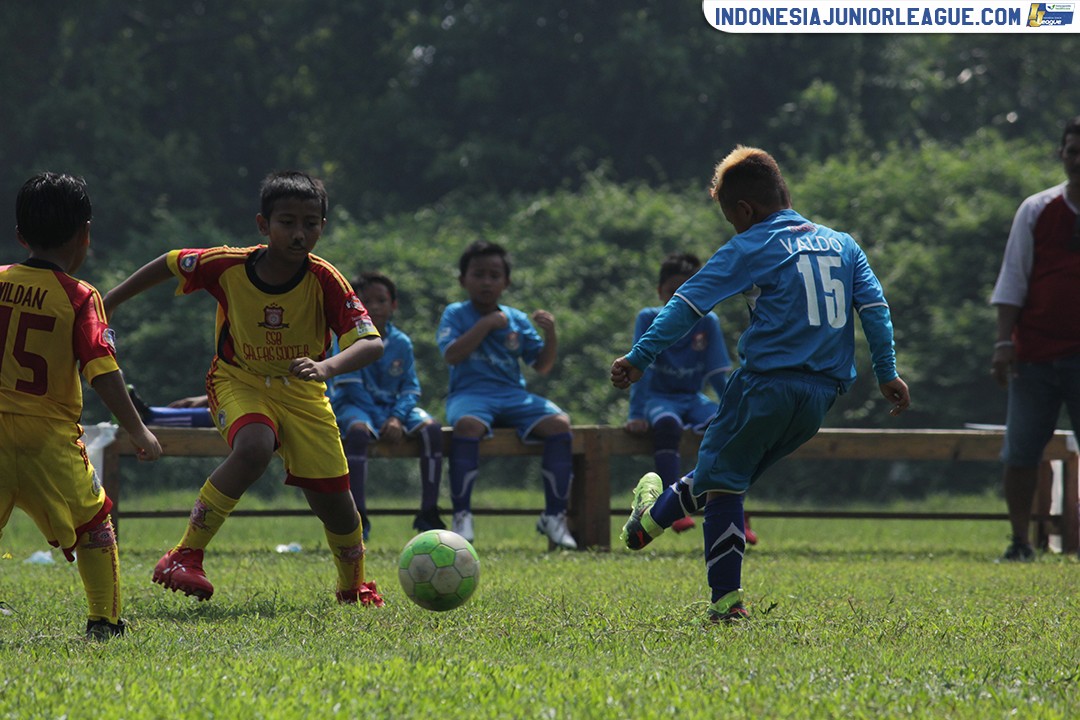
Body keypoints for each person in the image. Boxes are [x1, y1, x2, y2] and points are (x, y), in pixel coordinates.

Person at [611, 146, 910, 623]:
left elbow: (688, 304)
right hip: (820, 398)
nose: (732, 226)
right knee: (726, 472)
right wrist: (887, 371)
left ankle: (724, 602)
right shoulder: (843, 245)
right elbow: (874, 308)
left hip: (765, 386)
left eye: (730, 216)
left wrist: (640, 355)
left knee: (725, 483)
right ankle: (646, 524)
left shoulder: (751, 245)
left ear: (744, 210)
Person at [103, 171, 386, 605]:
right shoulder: (228, 264)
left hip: (303, 392)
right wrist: (108, 302)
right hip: (239, 379)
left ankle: (353, 586)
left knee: (337, 506)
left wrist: (326, 366)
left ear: (322, 227)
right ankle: (184, 554)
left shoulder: (326, 279)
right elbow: (171, 260)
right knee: (254, 446)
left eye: (310, 223)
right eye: (287, 222)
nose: (298, 233)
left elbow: (370, 342)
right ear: (262, 225)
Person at [0, 172, 162, 639]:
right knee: (94, 521)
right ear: (85, 234)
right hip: (48, 439)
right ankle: (104, 621)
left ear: (19, 236)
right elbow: (102, 371)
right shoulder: (80, 296)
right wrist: (137, 430)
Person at [438, 240, 577, 549]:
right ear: (463, 280)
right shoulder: (455, 313)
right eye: (478, 274)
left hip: (513, 395)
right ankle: (462, 516)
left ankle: (554, 517)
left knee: (560, 424)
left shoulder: (516, 319)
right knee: (467, 426)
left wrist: (550, 334)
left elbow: (542, 365)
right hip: (470, 394)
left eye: (494, 275)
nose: (486, 281)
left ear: (506, 281)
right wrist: (486, 324)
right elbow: (452, 355)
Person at [990, 115, 1080, 562]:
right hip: (1037, 354)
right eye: (1073, 150)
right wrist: (1004, 343)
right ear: (1062, 154)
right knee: (1021, 450)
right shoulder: (1037, 209)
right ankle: (1020, 541)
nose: (1079, 160)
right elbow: (1013, 280)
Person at [624, 252, 757, 543]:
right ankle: (673, 509)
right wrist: (635, 414)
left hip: (693, 399)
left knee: (725, 430)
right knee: (668, 424)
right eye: (672, 291)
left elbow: (717, 374)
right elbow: (638, 370)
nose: (678, 298)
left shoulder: (707, 322)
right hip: (660, 399)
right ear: (660, 292)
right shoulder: (648, 318)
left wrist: (734, 410)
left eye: (687, 290)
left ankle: (740, 517)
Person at [329, 270, 446, 540]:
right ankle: (358, 518)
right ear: (356, 306)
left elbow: (409, 388)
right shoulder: (347, 338)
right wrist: (383, 419)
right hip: (355, 406)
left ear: (393, 305)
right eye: (367, 301)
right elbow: (351, 388)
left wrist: (395, 417)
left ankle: (429, 513)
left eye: (382, 300)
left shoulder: (402, 342)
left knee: (432, 429)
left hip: (393, 410)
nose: (375, 307)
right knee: (358, 432)